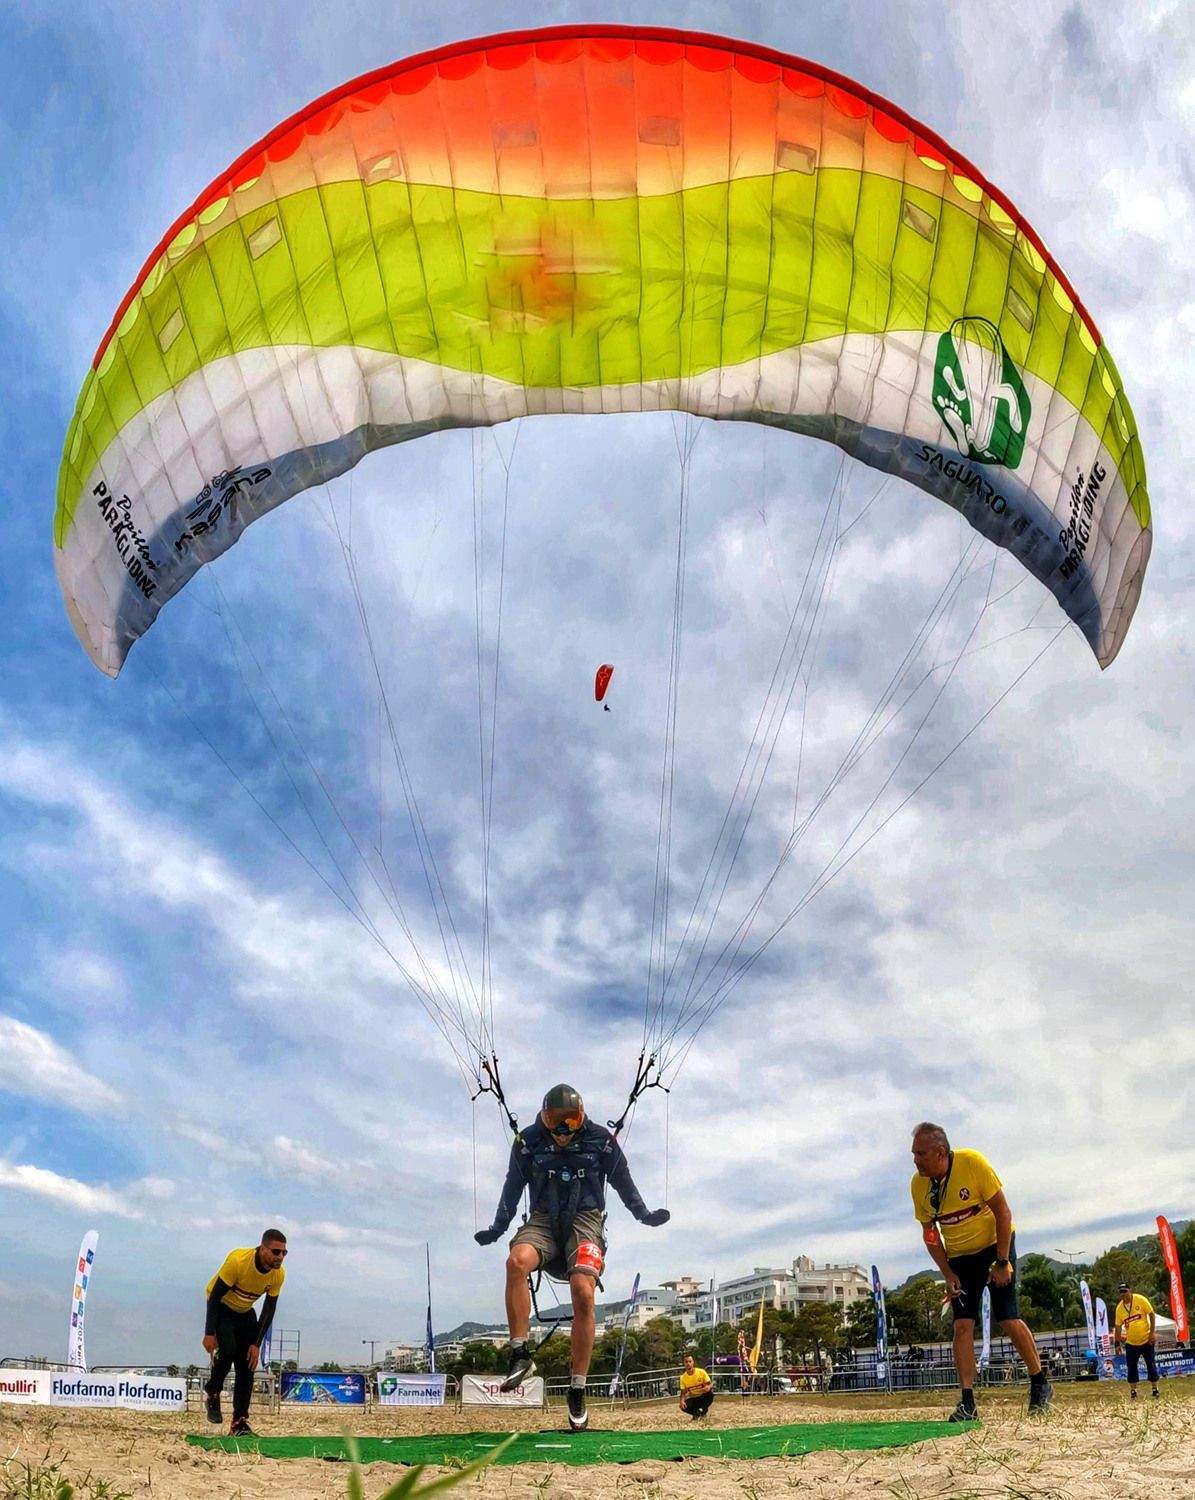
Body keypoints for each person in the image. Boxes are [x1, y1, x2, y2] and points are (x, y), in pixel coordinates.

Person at [474, 1084, 669, 1432]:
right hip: (543, 1219)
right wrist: (499, 1226)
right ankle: (520, 1353)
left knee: (583, 1290)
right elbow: (511, 1187)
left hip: (586, 1219)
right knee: (516, 1261)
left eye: (571, 1120)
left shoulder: (601, 1141)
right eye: (555, 1121)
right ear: (545, 1118)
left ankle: (577, 1389)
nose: (563, 1130)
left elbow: (624, 1182)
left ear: (582, 1118)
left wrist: (644, 1215)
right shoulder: (528, 1142)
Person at [910, 1122, 1052, 1422]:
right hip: (960, 1257)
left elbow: (1003, 1211)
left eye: (920, 1153)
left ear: (940, 1152)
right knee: (962, 1326)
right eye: (913, 1154)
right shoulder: (918, 1185)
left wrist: (1002, 1261)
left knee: (1008, 1317)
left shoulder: (973, 1163)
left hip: (994, 1246)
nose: (915, 1160)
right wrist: (947, 1273)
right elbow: (930, 1235)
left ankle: (1040, 1383)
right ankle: (967, 1402)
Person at [202, 1229, 287, 1435]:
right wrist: (209, 1332)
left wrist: (256, 1344)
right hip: (222, 1306)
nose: (280, 1257)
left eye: (284, 1253)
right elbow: (214, 1297)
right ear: (263, 1248)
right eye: (276, 1252)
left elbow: (268, 1310)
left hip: (245, 1312)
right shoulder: (238, 1260)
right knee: (229, 1350)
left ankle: (239, 1421)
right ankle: (213, 1391)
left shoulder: (278, 1274)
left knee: (247, 1364)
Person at [1113, 1280, 1160, 1399]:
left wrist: (1152, 1333)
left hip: (1146, 1340)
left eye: (1125, 1291)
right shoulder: (1119, 1309)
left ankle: (1155, 1388)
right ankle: (1133, 1391)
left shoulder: (1140, 1299)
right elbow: (1117, 1327)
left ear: (1130, 1291)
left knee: (1151, 1365)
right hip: (1131, 1343)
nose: (1123, 1294)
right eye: (1121, 1292)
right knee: (1131, 1367)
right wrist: (1118, 1341)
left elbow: (1152, 1314)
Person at [678, 1352, 714, 1418]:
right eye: (686, 1362)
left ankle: (703, 1411)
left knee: (710, 1394)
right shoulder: (682, 1378)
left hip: (703, 1396)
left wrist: (708, 1387)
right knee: (682, 1406)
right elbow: (683, 1393)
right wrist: (681, 1401)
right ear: (684, 1363)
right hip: (693, 1398)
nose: (688, 1364)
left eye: (690, 1361)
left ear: (693, 1362)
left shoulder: (701, 1372)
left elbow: (710, 1384)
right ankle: (696, 1414)